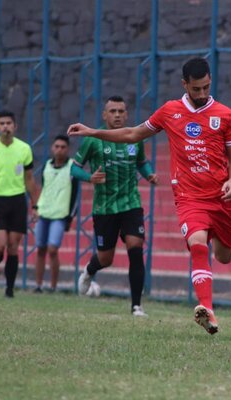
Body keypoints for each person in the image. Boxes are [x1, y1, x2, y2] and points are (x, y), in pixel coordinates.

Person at [68, 58, 231, 334]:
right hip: (188, 197)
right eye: (196, 89)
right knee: (197, 244)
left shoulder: (225, 114)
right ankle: (207, 310)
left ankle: (203, 287)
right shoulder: (170, 111)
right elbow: (133, 133)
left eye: (206, 88)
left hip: (221, 198)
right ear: (184, 85)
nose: (202, 94)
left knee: (224, 256)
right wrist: (92, 131)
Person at [71, 96, 158, 317]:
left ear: (126, 114)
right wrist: (90, 178)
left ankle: (136, 306)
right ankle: (89, 271)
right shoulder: (93, 140)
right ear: (104, 115)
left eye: (121, 111)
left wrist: (149, 174)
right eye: (112, 111)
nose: (117, 115)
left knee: (135, 249)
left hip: (131, 204)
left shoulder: (134, 138)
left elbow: (141, 162)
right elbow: (73, 169)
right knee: (106, 259)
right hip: (105, 208)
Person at [0, 110, 38, 298]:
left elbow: (29, 178)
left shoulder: (24, 149)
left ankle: (9, 289)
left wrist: (35, 205)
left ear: (15, 126)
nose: (5, 127)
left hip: (18, 200)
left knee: (13, 246)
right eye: (2, 123)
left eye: (8, 123)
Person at [33, 134, 79, 293]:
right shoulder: (46, 165)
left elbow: (75, 194)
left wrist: (70, 217)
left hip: (60, 214)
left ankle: (53, 286)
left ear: (68, 149)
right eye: (57, 146)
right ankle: (38, 285)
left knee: (52, 249)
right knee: (40, 248)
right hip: (44, 212)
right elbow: (45, 189)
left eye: (63, 147)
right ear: (52, 148)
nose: (59, 150)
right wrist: (37, 208)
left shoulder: (72, 167)